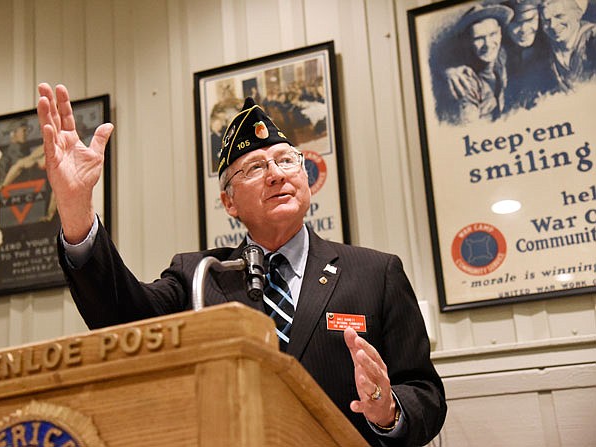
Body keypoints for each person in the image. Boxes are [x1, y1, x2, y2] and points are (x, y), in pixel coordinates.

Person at [37, 83, 447, 446]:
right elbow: (122, 319)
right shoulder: (200, 278)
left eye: (286, 161)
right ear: (229, 203)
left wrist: (388, 410)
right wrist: (76, 209)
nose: (275, 174)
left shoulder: (376, 274)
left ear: (304, 177)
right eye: (254, 168)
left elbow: (425, 391)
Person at [444, 3, 513, 123]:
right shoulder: (465, 81)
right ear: (469, 42)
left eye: (492, 34)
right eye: (479, 38)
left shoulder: (503, 55)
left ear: (500, 33)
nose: (488, 44)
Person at [539, 0, 596, 92]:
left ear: (578, 14)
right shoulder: (546, 51)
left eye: (559, 16)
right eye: (546, 20)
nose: (553, 25)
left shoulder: (592, 38)